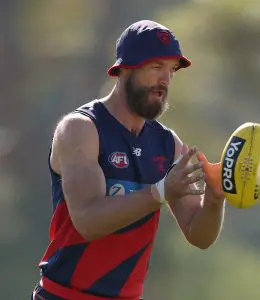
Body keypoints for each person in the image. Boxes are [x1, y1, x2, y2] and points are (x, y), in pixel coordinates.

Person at [31, 19, 226, 300]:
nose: (165, 80)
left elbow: (200, 235)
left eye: (171, 70)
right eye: (156, 67)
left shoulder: (168, 143)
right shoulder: (81, 129)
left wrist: (215, 199)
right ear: (124, 70)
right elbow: (88, 221)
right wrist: (160, 192)